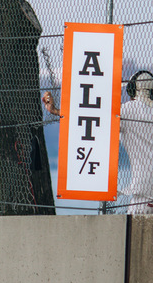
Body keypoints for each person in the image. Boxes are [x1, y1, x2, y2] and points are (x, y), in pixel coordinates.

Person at [42, 70, 153, 214]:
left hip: (144, 188)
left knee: (133, 231)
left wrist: (56, 110)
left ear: (133, 90)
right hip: (145, 188)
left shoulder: (129, 110)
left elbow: (92, 117)